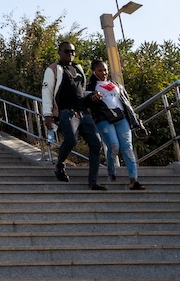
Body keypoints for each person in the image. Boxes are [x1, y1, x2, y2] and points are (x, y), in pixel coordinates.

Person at [41, 42, 106, 190]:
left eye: (73, 52)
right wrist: (47, 114)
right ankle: (60, 164)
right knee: (71, 140)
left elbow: (81, 92)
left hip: (83, 110)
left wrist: (92, 97)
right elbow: (47, 92)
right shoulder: (53, 69)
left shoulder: (78, 68)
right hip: (66, 111)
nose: (70, 54)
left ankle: (93, 182)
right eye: (67, 51)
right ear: (59, 52)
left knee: (96, 143)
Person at [88, 60, 147, 190]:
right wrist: (92, 98)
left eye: (105, 70)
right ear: (94, 71)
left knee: (127, 147)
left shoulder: (115, 84)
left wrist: (136, 120)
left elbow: (127, 103)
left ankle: (133, 179)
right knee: (114, 145)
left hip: (121, 117)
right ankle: (111, 171)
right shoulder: (90, 87)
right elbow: (85, 102)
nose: (103, 73)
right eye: (100, 70)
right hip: (103, 118)